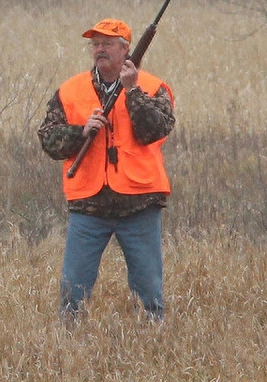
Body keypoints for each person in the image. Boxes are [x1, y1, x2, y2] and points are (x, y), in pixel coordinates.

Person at [37, 18, 175, 321]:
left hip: (139, 202)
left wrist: (132, 91)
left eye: (107, 44)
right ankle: (67, 347)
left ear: (126, 49)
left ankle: (154, 342)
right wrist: (80, 132)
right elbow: (48, 140)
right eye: (95, 44)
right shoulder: (70, 90)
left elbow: (155, 131)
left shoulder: (153, 87)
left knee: (149, 290)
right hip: (89, 204)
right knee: (72, 289)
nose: (99, 50)